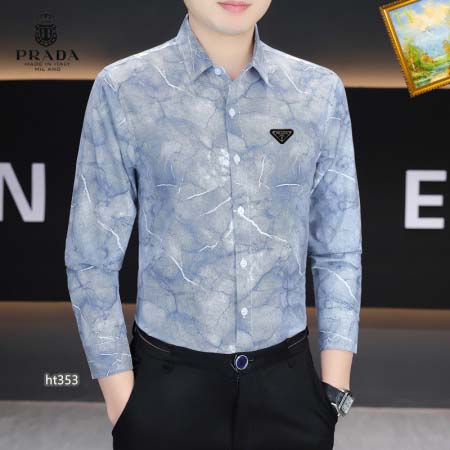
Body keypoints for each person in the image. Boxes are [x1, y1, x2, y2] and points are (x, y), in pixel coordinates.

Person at [64, 1, 362, 449]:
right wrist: (122, 402)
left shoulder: (317, 91)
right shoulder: (125, 88)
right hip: (166, 389)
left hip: (290, 390)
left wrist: (334, 390)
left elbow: (338, 247)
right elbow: (91, 257)